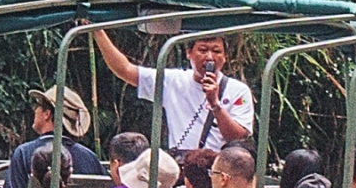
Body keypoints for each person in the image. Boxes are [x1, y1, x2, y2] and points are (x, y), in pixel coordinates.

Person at [92, 23, 255, 154]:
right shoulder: (173, 81)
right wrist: (97, 31)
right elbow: (126, 70)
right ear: (189, 53)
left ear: (225, 57)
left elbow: (239, 138)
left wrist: (215, 104)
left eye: (216, 51)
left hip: (221, 171)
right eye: (203, 50)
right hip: (182, 165)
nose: (210, 57)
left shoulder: (238, 90)